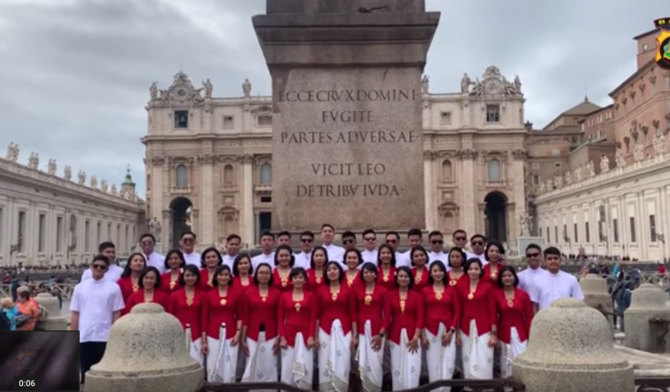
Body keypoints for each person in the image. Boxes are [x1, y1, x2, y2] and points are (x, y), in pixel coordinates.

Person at [70, 255, 125, 386]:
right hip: (85, 335)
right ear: (90, 267)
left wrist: (115, 335)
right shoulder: (80, 288)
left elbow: (116, 312)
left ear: (106, 269)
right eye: (96, 266)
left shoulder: (114, 287)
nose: (98, 268)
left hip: (105, 336)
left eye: (102, 267)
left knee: (104, 374)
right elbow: (75, 313)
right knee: (85, 373)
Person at [316, 261, 357, 392]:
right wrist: (315, 335)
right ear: (325, 273)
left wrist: (355, 335)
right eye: (329, 270)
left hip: (344, 330)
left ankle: (341, 388)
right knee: (324, 360)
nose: (332, 272)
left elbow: (353, 313)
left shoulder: (348, 290)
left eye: (335, 269)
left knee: (343, 360)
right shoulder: (321, 290)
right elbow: (317, 314)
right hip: (324, 330)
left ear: (340, 272)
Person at [241, 263, 280, 389]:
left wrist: (279, 336)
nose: (264, 276)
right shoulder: (248, 294)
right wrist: (242, 338)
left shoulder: (277, 294)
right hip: (252, 334)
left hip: (272, 334)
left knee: (269, 363)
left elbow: (280, 317)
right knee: (253, 362)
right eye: (261, 273)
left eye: (267, 273)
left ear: (271, 275)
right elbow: (245, 318)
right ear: (256, 275)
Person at [422, 261, 459, 392]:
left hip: (448, 331)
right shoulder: (425, 290)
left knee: (448, 363)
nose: (438, 274)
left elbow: (456, 312)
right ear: (431, 273)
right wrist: (422, 335)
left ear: (445, 273)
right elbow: (421, 313)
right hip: (430, 331)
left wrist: (452, 331)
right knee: (433, 364)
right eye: (435, 271)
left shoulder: (451, 290)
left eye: (440, 271)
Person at [202, 265, 243, 383]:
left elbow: (240, 316)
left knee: (230, 365)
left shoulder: (237, 294)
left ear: (230, 277)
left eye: (226, 275)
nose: (223, 277)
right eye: (221, 275)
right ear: (216, 277)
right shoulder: (208, 295)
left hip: (231, 333)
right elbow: (204, 318)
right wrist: (204, 341)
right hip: (213, 334)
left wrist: (238, 333)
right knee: (213, 364)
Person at [457, 258, 497, 380]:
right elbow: (459, 310)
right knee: (467, 356)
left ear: (480, 271)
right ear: (466, 271)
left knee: (484, 357)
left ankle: (485, 387)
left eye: (476, 269)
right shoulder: (461, 286)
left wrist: (493, 333)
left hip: (484, 327)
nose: (473, 272)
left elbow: (492, 310)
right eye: (470, 269)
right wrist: (457, 332)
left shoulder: (487, 287)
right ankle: (469, 386)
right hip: (465, 327)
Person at [278, 267, 317, 388]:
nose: (298, 280)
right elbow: (279, 318)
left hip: (306, 337)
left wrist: (311, 336)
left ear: (305, 280)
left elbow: (313, 317)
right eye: (295, 277)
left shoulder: (310, 296)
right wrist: (282, 337)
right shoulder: (284, 296)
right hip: (289, 336)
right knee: (288, 367)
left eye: (301, 277)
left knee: (306, 366)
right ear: (290, 280)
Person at [387, 266, 423, 390]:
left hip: (412, 335)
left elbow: (420, 318)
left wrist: (416, 337)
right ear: (396, 279)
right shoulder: (390, 296)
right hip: (395, 335)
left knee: (413, 365)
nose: (403, 279)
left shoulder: (417, 296)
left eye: (406, 276)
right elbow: (387, 317)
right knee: (396, 366)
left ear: (410, 279)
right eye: (401, 276)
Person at [355, 262, 389, 392]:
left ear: (376, 274)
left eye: (371, 272)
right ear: (362, 274)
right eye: (366, 272)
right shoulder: (357, 290)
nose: (368, 275)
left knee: (375, 363)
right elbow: (354, 312)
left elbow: (387, 314)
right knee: (364, 363)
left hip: (377, 331)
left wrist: (381, 334)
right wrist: (355, 334)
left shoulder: (383, 291)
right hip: (362, 332)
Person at [494, 266, 532, 378]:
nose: (507, 278)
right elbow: (494, 316)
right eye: (504, 276)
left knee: (522, 360)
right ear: (500, 278)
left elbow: (528, 316)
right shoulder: (496, 295)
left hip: (521, 333)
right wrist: (495, 335)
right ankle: (507, 387)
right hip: (503, 332)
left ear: (514, 277)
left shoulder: (523, 295)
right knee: (506, 361)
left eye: (509, 275)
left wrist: (529, 335)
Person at [168, 264, 205, 366]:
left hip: (196, 334)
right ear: (183, 277)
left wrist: (204, 340)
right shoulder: (174, 296)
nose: (190, 278)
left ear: (197, 277)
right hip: (179, 333)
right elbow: (171, 317)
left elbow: (204, 318)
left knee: (197, 362)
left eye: (193, 275)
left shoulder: (202, 296)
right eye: (187, 275)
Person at [529, 247, 584, 313]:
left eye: (556, 258)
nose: (553, 261)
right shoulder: (536, 281)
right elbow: (534, 306)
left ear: (560, 260)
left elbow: (579, 302)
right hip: (544, 320)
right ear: (545, 261)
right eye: (549, 259)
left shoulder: (571, 279)